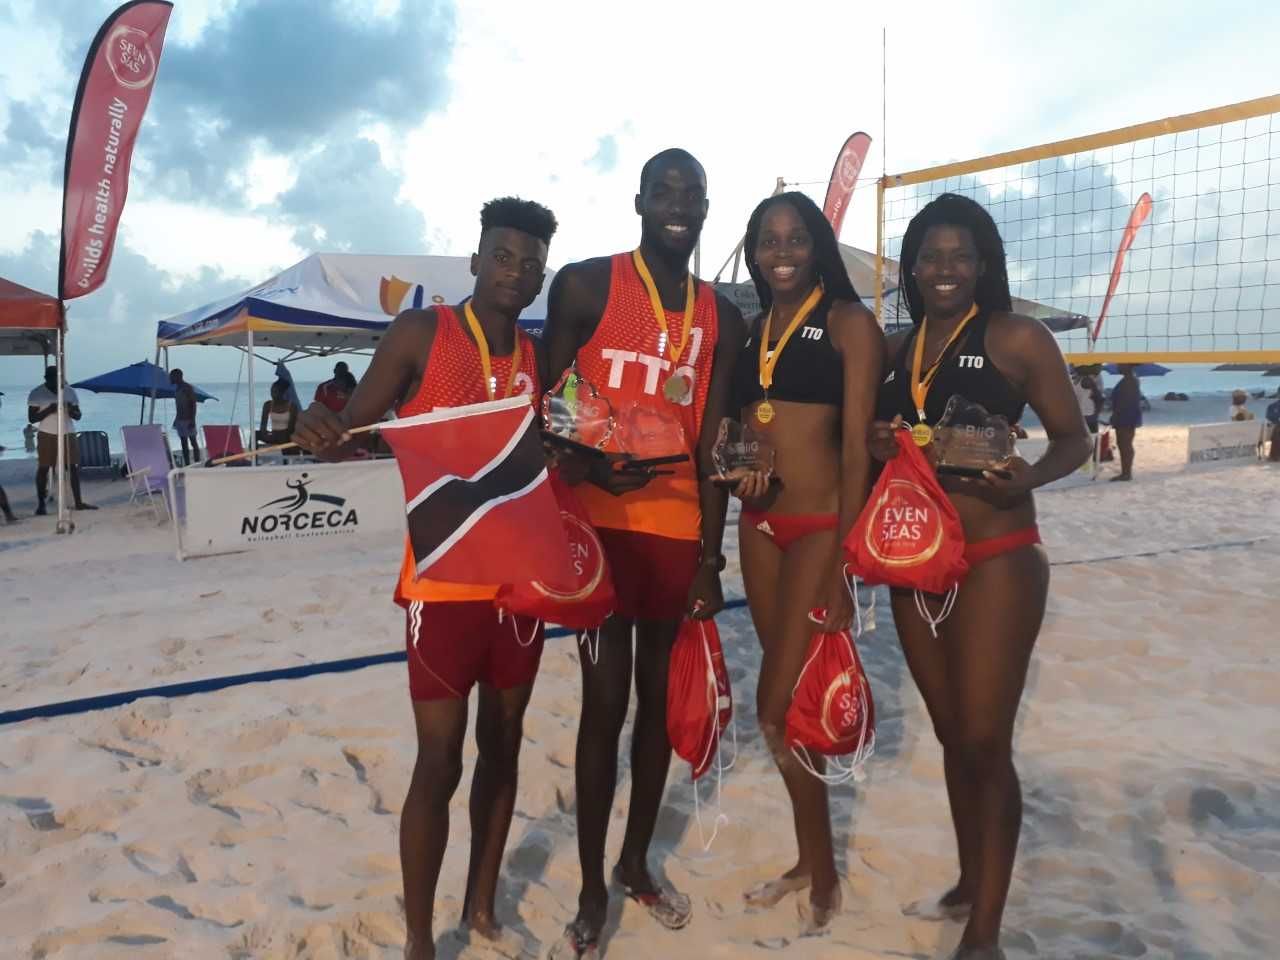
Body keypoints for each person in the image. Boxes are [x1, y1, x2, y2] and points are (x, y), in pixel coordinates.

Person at [292, 197, 557, 960]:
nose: (515, 272)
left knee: (503, 748)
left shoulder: (538, 358)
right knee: (439, 762)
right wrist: (316, 426)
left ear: (540, 278)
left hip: (520, 587)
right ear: (475, 261)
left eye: (530, 263)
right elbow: (353, 433)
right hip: (442, 586)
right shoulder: (422, 333)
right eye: (502, 256)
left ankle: (482, 907)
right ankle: (418, 939)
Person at [868, 193, 1092, 960]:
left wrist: (1028, 477)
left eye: (960, 256)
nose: (945, 269)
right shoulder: (895, 349)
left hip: (998, 556)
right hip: (914, 561)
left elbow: (1073, 440)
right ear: (910, 268)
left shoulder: (1018, 337)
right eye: (930, 257)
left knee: (987, 741)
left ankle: (985, 935)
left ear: (983, 264)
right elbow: (874, 442)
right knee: (953, 735)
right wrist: (877, 442)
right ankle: (969, 882)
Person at [542, 148, 745, 958]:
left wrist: (710, 559)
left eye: (692, 195)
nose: (678, 206)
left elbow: (716, 444)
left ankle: (634, 863)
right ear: (639, 203)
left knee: (657, 705)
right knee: (603, 704)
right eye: (664, 192)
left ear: (706, 210)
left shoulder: (722, 315)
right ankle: (592, 885)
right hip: (596, 527)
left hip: (675, 529)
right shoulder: (587, 286)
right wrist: (591, 465)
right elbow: (549, 408)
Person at [726, 192, 883, 933]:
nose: (781, 251)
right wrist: (739, 471)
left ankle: (823, 877)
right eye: (768, 240)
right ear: (754, 252)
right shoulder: (753, 331)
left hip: (820, 529)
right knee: (788, 707)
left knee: (773, 707)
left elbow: (856, 453)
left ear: (817, 245)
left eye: (794, 238)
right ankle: (807, 857)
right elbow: (743, 435)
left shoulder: (850, 324)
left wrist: (845, 564)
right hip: (758, 528)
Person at [27, 365, 96, 514]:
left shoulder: (69, 391)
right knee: (44, 467)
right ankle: (41, 505)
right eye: (55, 379)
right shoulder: (37, 393)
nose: (59, 382)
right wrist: (49, 409)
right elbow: (32, 418)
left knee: (72, 467)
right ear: (47, 379)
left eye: (60, 379)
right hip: (47, 433)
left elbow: (78, 416)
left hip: (67, 432)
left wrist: (70, 410)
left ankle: (78, 502)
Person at [1110, 365, 1142, 481]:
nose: (1118, 366)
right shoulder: (1130, 380)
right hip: (1125, 416)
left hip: (1126, 417)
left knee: (1125, 444)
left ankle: (1126, 473)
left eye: (1120, 365)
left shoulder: (1130, 381)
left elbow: (1125, 402)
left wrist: (1115, 415)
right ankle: (1126, 472)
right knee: (1123, 444)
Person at [169, 369, 201, 465]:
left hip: (188, 419)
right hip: (180, 419)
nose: (170, 378)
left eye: (172, 376)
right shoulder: (177, 389)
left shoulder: (187, 388)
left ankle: (197, 462)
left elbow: (193, 404)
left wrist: (193, 420)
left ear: (178, 377)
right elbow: (179, 406)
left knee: (193, 441)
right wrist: (176, 419)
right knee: (183, 443)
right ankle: (187, 464)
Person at [257, 380, 299, 447]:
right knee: (255, 434)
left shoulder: (292, 407)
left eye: (275, 392)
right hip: (273, 436)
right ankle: (253, 453)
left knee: (288, 436)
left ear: (282, 393)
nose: (272, 394)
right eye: (271, 391)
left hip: (286, 437)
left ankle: (287, 451)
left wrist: (279, 434)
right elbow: (263, 425)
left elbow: (291, 428)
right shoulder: (268, 405)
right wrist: (266, 434)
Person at [1265, 392, 1280, 462]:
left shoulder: (1272, 406)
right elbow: (1269, 418)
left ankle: (1275, 455)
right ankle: (1275, 455)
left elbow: (1268, 418)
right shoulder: (1272, 406)